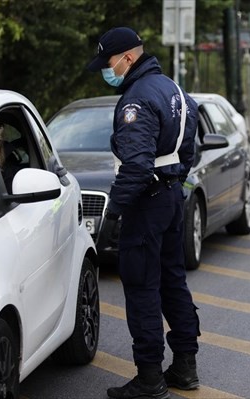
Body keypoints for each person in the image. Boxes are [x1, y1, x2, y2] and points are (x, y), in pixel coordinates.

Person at [87, 27, 201, 399]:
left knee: (141, 288)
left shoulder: (136, 100)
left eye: (108, 63)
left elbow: (135, 166)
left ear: (128, 59)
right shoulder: (175, 91)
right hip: (170, 198)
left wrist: (115, 211)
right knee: (173, 281)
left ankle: (150, 378)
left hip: (146, 203)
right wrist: (173, 183)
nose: (107, 70)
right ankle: (185, 366)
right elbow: (190, 153)